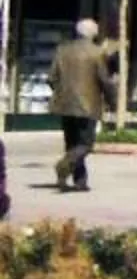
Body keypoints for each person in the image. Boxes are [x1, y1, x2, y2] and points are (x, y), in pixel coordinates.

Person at [50, 20, 115, 193]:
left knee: (72, 143)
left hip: (65, 104)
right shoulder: (97, 52)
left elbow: (51, 78)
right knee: (86, 144)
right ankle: (63, 166)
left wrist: (62, 93)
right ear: (93, 33)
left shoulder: (62, 50)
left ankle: (80, 181)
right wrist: (112, 101)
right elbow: (104, 80)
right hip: (88, 104)